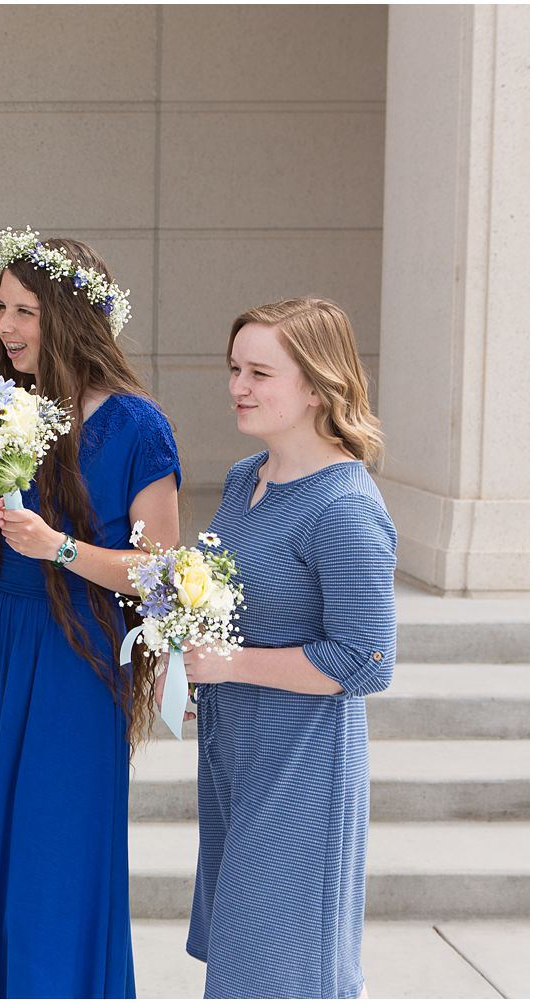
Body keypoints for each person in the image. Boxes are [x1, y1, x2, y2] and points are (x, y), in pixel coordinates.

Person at [0, 231, 181, 998]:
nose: (6, 325)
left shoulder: (138, 426)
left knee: (60, 850)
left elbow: (161, 573)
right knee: (2, 848)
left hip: (81, 656)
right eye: (1, 307)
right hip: (8, 645)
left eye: (26, 310)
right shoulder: (0, 415)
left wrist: (57, 548)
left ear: (71, 317)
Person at [183, 298, 396, 999]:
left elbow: (367, 660)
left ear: (316, 384)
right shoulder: (248, 478)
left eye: (260, 372)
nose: (238, 385)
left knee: (274, 974)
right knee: (243, 966)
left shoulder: (343, 508)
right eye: (235, 368)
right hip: (233, 752)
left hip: (300, 768)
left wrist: (233, 664)